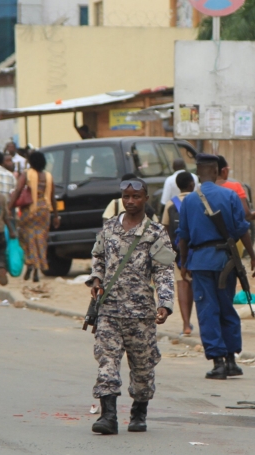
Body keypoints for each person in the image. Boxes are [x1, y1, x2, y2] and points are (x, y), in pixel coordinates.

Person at [86, 176, 175, 435]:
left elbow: (164, 271)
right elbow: (98, 257)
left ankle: (139, 412)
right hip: (109, 310)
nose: (130, 201)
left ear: (146, 198)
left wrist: (165, 303)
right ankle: (109, 416)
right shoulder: (109, 227)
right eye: (126, 196)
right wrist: (97, 278)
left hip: (141, 314)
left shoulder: (156, 232)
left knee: (143, 367)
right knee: (107, 362)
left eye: (136, 197)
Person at [176, 153, 255, 380]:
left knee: (207, 310)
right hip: (226, 261)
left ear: (198, 174)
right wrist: (252, 257)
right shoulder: (230, 195)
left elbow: (182, 236)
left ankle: (218, 363)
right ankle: (232, 361)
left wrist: (183, 263)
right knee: (227, 308)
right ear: (215, 172)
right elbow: (242, 228)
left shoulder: (189, 201)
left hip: (201, 262)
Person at [10, 151, 59, 282]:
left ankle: (30, 262)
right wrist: (55, 216)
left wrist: (9, 207)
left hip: (29, 212)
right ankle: (37, 269)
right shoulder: (48, 176)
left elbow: (18, 190)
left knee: (27, 238)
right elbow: (53, 197)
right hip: (44, 213)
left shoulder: (27, 174)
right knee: (40, 241)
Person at [161, 171, 196, 336]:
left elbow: (165, 230)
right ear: (192, 184)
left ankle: (186, 325)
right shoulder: (198, 201)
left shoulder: (170, 204)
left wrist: (172, 251)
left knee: (182, 285)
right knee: (194, 286)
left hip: (177, 252)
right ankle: (195, 321)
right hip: (197, 251)